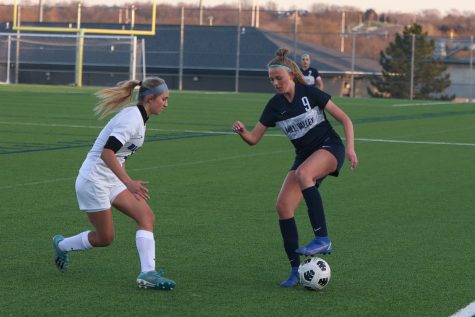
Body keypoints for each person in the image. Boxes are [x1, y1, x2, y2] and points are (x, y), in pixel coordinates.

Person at [232, 48, 358, 288]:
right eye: (271, 80)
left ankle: (323, 238)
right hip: (304, 157)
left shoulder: (310, 93)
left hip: (330, 148)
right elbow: (254, 139)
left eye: (278, 78)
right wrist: (242, 132)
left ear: (291, 75)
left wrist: (350, 148)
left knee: (304, 174)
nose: (275, 83)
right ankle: (294, 270)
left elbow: (346, 120)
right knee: (283, 206)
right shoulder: (273, 106)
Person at [52, 77, 176, 291]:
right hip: (93, 181)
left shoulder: (140, 117)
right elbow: (107, 154)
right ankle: (61, 244)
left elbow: (119, 157)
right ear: (149, 99)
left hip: (110, 179)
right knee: (105, 238)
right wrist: (129, 183)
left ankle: (147, 274)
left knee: (146, 217)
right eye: (164, 99)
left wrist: (124, 181)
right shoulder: (132, 119)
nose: (166, 104)